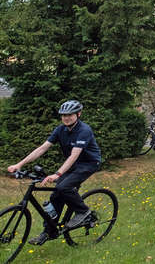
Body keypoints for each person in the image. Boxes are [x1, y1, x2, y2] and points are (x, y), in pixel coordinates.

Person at [7, 99, 103, 245]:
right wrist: (19, 164)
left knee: (63, 187)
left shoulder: (84, 130)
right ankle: (48, 232)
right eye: (63, 115)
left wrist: (57, 174)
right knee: (56, 196)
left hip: (88, 164)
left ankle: (84, 212)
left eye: (70, 115)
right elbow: (42, 148)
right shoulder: (60, 130)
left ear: (78, 114)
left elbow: (74, 155)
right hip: (73, 164)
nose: (66, 118)